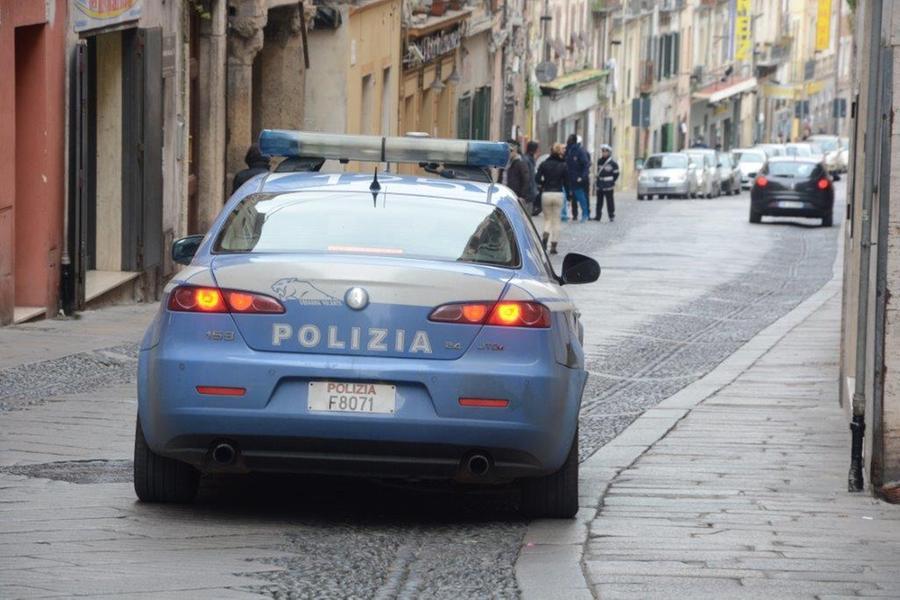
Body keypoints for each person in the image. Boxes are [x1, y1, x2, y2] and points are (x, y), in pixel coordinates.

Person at [536, 143, 568, 255]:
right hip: (558, 193)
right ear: (560, 152)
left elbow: (537, 178)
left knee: (547, 219)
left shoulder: (544, 164)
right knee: (556, 220)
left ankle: (545, 235)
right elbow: (567, 181)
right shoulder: (563, 165)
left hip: (546, 193)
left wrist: (543, 183)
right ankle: (553, 245)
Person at [564, 134, 591, 222]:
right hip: (569, 178)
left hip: (578, 178)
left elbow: (585, 165)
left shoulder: (580, 151)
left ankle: (585, 214)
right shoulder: (568, 150)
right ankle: (574, 215)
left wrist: (582, 177)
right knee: (572, 198)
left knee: (581, 197)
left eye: (570, 140)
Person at [504, 140, 532, 212]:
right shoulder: (505, 163)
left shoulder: (520, 163)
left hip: (515, 195)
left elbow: (526, 180)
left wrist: (522, 196)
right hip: (504, 194)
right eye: (507, 150)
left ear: (516, 150)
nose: (509, 152)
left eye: (511, 150)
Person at [595, 144, 620, 222]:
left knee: (609, 201)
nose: (604, 153)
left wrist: (612, 181)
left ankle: (611, 215)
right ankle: (598, 216)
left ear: (609, 153)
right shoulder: (599, 161)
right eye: (603, 151)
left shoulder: (613, 163)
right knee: (599, 201)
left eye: (606, 152)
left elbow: (616, 174)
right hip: (600, 184)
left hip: (609, 185)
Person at [524, 141, 540, 216]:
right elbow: (528, 177)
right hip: (528, 193)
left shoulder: (530, 159)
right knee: (527, 216)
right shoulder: (527, 160)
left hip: (530, 192)